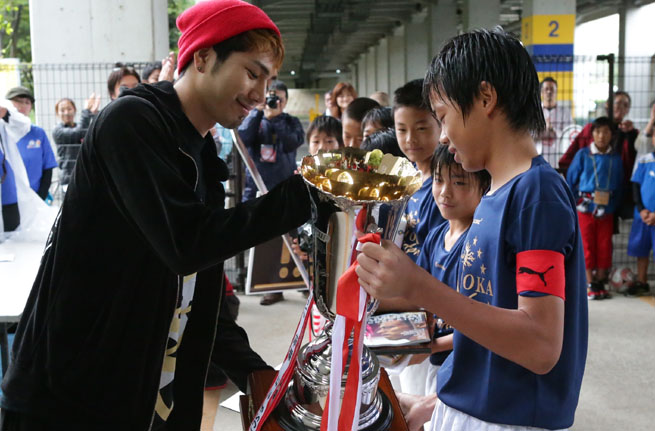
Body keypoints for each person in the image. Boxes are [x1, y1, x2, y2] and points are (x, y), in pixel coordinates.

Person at [0, 1, 315, 430]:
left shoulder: (201, 155)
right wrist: (305, 193)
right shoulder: (131, 122)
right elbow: (187, 244)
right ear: (203, 57)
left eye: (269, 80)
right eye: (252, 72)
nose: (260, 96)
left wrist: (259, 376)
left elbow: (196, 296)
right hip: (70, 397)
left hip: (145, 397)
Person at [357, 29, 587, 431]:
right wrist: (442, 399)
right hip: (470, 407)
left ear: (485, 98)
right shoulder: (495, 193)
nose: (442, 136)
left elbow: (540, 345)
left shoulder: (536, 193)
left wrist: (418, 287)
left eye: (443, 118)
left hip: (508, 419)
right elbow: (485, 319)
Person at [398, 143, 491, 431]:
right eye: (438, 179)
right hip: (430, 354)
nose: (444, 191)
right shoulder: (438, 235)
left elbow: (481, 323)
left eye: (459, 182)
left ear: (484, 189)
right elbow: (418, 299)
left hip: (458, 363)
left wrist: (430, 346)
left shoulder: (478, 244)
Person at [237, 79, 304, 306]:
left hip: (286, 187)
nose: (275, 102)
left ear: (285, 102)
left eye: (279, 99)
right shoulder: (254, 119)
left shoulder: (290, 122)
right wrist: (259, 112)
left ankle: (302, 282)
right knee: (265, 238)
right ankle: (270, 287)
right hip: (259, 188)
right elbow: (244, 139)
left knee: (294, 239)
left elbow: (292, 143)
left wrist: (275, 120)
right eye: (271, 97)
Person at [566, 117, 623, 300]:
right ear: (592, 134)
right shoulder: (583, 155)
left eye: (606, 132)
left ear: (612, 135)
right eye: (598, 131)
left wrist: (613, 206)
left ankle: (600, 281)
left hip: (607, 209)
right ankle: (589, 282)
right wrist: (577, 202)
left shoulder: (616, 158)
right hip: (585, 208)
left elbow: (621, 185)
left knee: (604, 245)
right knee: (587, 244)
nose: (602, 136)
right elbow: (571, 180)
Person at [559, 91, 637, 218]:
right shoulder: (590, 128)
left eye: (625, 105)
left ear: (628, 110)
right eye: (617, 103)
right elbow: (568, 158)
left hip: (615, 195)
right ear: (608, 105)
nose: (621, 107)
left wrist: (631, 134)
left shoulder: (631, 132)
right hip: (587, 198)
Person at [393, 79, 443, 264]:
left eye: (421, 129)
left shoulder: (445, 186)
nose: (410, 139)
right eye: (402, 130)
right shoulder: (405, 176)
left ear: (442, 124)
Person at [5, 87, 57, 201]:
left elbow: (48, 167)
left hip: (34, 197)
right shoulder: (3, 132)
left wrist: (40, 197)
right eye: (18, 101)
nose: (22, 106)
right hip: (7, 198)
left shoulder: (38, 133)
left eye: (27, 102)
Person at [626, 127, 655, 297]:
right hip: (642, 217)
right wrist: (641, 209)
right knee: (641, 250)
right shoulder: (644, 161)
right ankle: (642, 282)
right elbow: (635, 186)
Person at [52, 95, 100, 186]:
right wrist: (86, 111)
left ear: (74, 110)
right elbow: (78, 133)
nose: (66, 113)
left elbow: (92, 134)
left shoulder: (81, 126)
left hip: (86, 175)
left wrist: (94, 114)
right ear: (57, 113)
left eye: (69, 109)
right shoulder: (57, 131)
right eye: (62, 110)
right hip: (68, 177)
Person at [0, 100, 32, 232]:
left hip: (6, 183)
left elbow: (24, 125)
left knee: (11, 231)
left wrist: (5, 114)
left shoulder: (4, 105)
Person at [536, 77, 573, 168]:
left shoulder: (565, 112)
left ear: (556, 92)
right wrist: (542, 130)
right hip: (537, 157)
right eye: (546, 89)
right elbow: (528, 134)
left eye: (552, 89)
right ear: (541, 92)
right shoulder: (534, 112)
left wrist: (554, 130)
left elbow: (570, 134)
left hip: (558, 157)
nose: (549, 92)